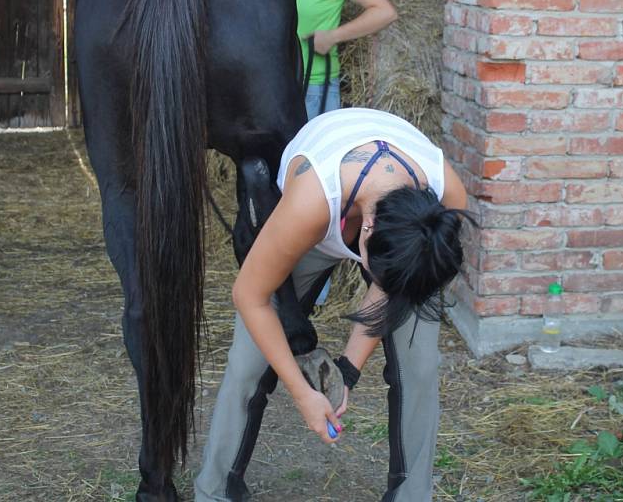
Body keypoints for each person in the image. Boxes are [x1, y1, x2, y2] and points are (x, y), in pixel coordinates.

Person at [195, 107, 469, 502]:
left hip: (389, 228)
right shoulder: (310, 203)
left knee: (421, 365)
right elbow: (249, 296)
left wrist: (347, 370)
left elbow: (394, 288)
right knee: (248, 360)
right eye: (377, 274)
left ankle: (412, 496)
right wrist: (303, 393)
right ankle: (215, 490)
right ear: (368, 230)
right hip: (327, 213)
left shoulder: (443, 201)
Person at [276, 0, 398, 306]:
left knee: (314, 189)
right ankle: (277, 274)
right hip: (271, 92)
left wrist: (335, 36)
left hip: (313, 89)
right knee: (277, 188)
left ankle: (314, 287)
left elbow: (384, 10)